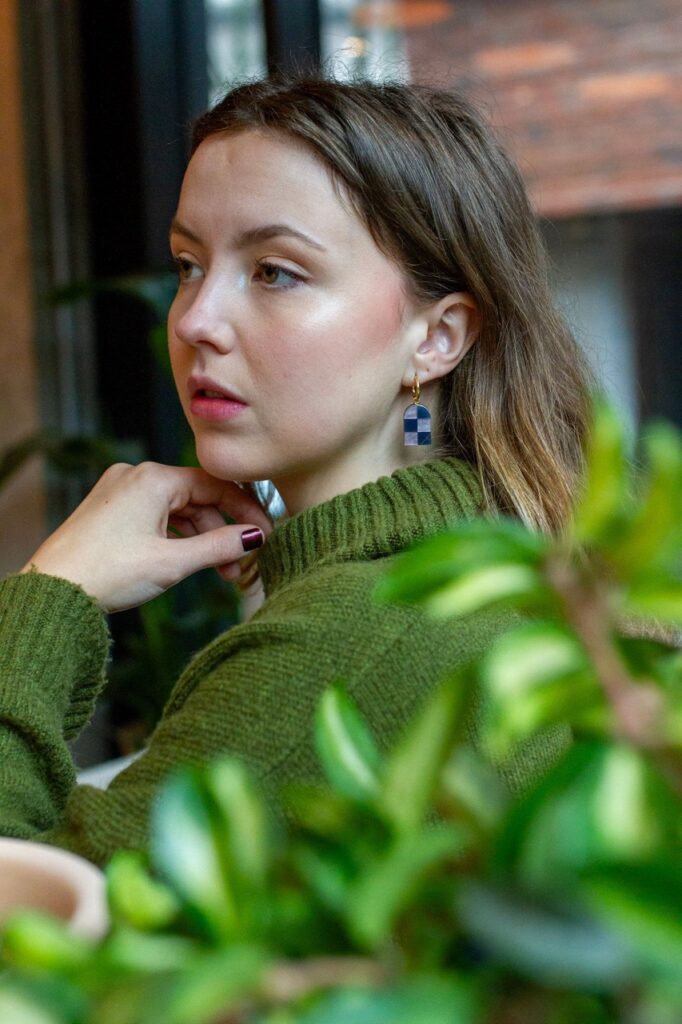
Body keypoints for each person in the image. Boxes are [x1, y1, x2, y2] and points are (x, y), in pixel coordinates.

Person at [0, 74, 592, 865]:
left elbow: (31, 944)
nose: (197, 320)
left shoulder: (356, 638)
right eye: (187, 264)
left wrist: (56, 595)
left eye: (275, 271)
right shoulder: (482, 568)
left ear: (437, 338)